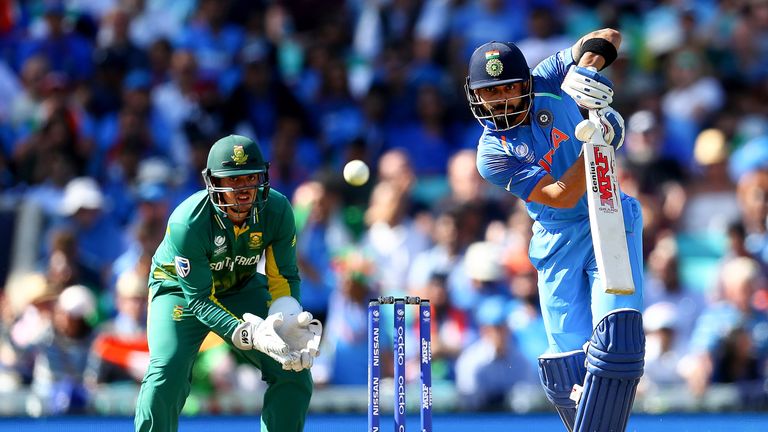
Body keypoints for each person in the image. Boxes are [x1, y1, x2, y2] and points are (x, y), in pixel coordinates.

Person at [465, 30, 644, 432]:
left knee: (618, 342)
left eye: (508, 88)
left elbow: (607, 36)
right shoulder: (490, 154)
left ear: (526, 81)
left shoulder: (549, 77)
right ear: (475, 95)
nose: (501, 100)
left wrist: (587, 67)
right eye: (489, 93)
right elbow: (560, 195)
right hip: (556, 235)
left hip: (607, 212)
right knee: (569, 372)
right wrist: (599, 142)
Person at [134, 135, 323, 432]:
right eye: (233, 181)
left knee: (293, 368)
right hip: (180, 291)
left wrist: (287, 319)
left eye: (250, 178)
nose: (244, 190)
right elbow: (199, 300)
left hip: (240, 284)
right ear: (212, 183)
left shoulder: (277, 210)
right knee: (166, 371)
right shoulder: (188, 222)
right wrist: (247, 333)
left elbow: (284, 276)